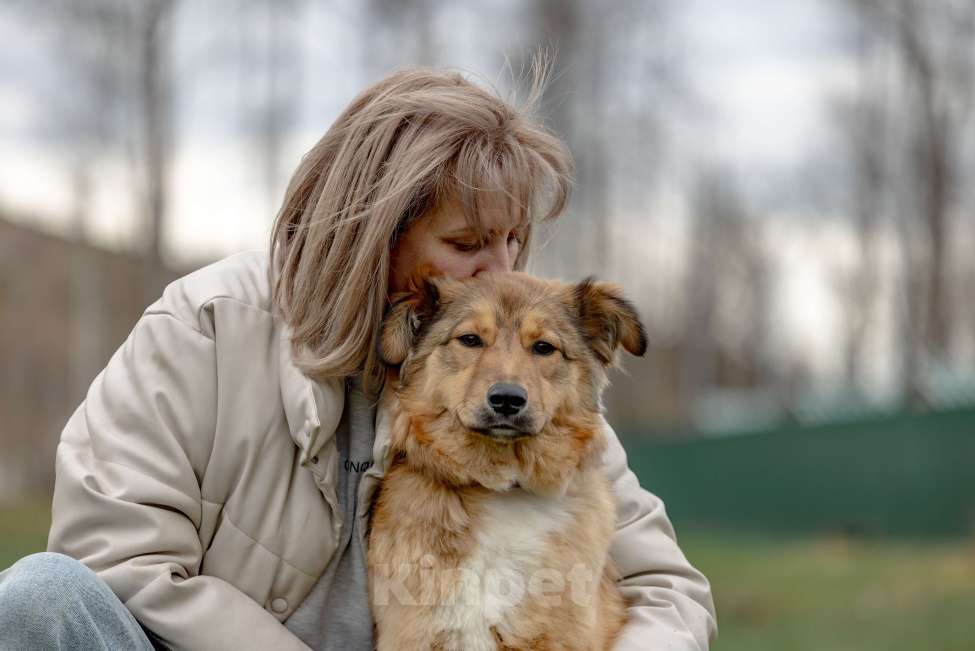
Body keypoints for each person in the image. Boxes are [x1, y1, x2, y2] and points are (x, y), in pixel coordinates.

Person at [0, 67, 716, 650]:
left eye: (513, 241)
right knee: (40, 599)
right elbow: (116, 557)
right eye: (467, 244)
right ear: (376, 231)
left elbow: (668, 590)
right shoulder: (207, 328)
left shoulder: (523, 382)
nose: (502, 273)